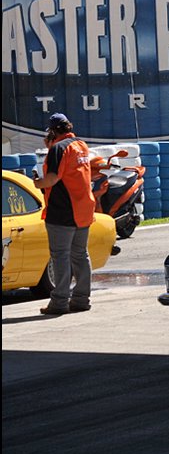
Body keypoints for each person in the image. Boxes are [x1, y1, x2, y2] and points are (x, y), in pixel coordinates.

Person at [32, 113, 96, 315]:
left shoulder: (58, 149)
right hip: (83, 209)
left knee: (60, 257)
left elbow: (51, 178)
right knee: (80, 255)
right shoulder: (81, 145)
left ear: (52, 131)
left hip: (63, 211)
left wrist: (37, 183)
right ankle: (81, 299)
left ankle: (59, 302)